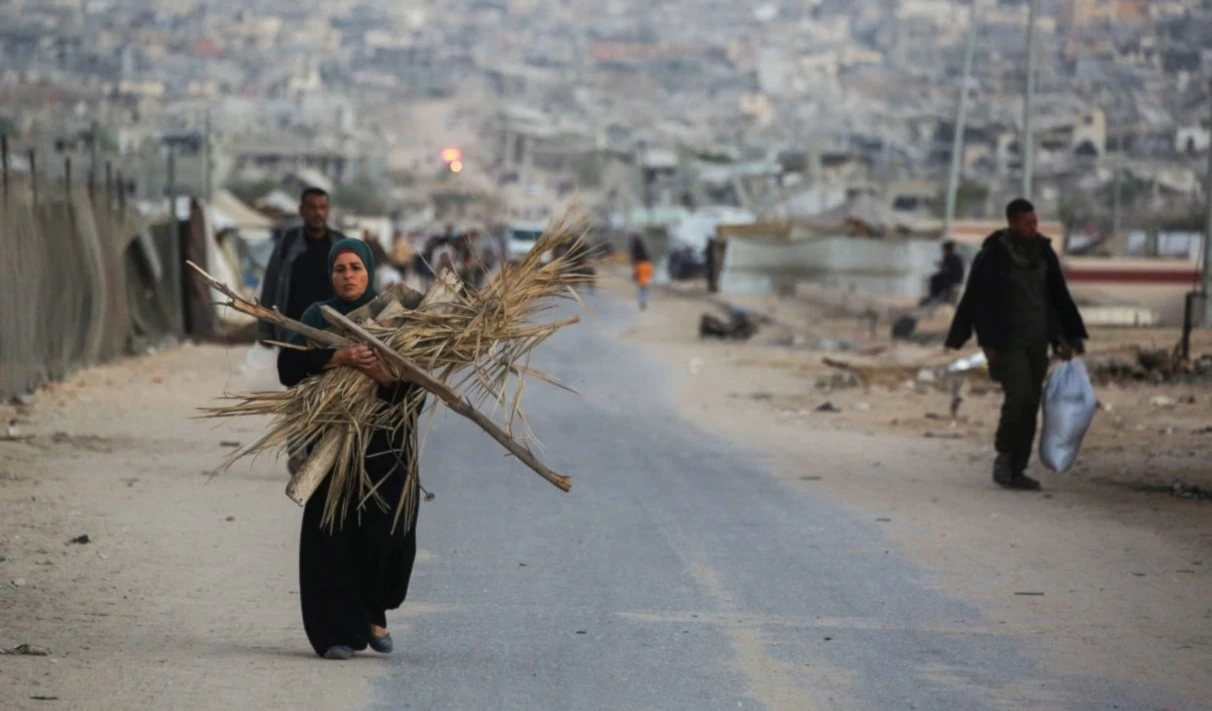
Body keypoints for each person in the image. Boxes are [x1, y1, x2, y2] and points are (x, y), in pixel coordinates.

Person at [276, 238, 422, 660]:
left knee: (388, 536)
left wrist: (382, 374)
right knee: (331, 537)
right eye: (339, 269)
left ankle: (375, 613)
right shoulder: (316, 316)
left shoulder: (397, 316)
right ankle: (335, 634)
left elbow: (418, 392)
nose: (348, 275)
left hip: (386, 442)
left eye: (356, 267)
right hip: (333, 441)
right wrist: (338, 356)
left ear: (370, 270)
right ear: (331, 274)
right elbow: (288, 370)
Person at [945, 199, 1088, 491]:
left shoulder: (1043, 253)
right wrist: (985, 341)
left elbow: (1056, 297)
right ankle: (1004, 456)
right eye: (1028, 223)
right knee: (1019, 397)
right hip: (1006, 341)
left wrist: (1066, 336)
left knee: (1031, 402)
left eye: (1036, 222)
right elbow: (978, 299)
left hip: (1037, 341)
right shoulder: (994, 255)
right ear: (1012, 222)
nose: (1034, 228)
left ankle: (1018, 468)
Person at [258, 188, 347, 345]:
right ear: (301, 210)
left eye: (322, 207)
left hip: (332, 331)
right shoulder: (288, 243)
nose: (318, 213)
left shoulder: (340, 244)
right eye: (312, 207)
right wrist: (266, 330)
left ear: (328, 210)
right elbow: (271, 285)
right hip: (293, 330)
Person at [923, 240, 965, 305]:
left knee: (935, 278)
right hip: (958, 279)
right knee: (937, 277)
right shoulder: (957, 256)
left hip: (952, 280)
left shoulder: (949, 256)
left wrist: (939, 265)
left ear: (945, 249)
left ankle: (934, 296)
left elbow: (946, 270)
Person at [631, 235, 654, 311]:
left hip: (640, 279)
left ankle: (641, 301)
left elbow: (636, 273)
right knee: (645, 291)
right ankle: (643, 301)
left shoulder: (639, 264)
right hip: (646, 280)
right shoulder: (648, 265)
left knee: (640, 290)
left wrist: (634, 277)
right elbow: (651, 272)